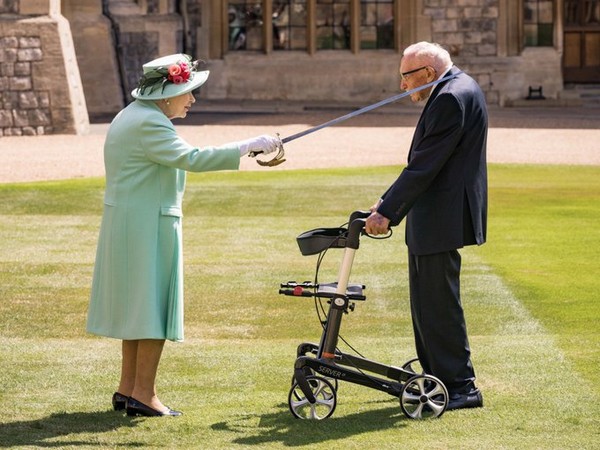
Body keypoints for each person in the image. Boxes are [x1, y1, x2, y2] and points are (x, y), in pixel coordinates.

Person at [86, 54, 280, 417]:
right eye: (187, 92)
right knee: (153, 309)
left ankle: (128, 389)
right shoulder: (150, 123)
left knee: (138, 311)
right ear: (165, 94)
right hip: (147, 226)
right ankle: (144, 394)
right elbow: (192, 158)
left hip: (133, 223)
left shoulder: (132, 115)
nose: (191, 100)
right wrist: (247, 146)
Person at [364, 41, 487, 411]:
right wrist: (385, 202)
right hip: (436, 213)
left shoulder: (451, 97)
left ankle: (460, 387)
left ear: (428, 74)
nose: (402, 86)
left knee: (438, 304)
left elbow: (425, 164)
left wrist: (386, 211)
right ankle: (439, 374)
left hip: (442, 214)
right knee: (427, 302)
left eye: (406, 77)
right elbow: (426, 161)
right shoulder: (456, 87)